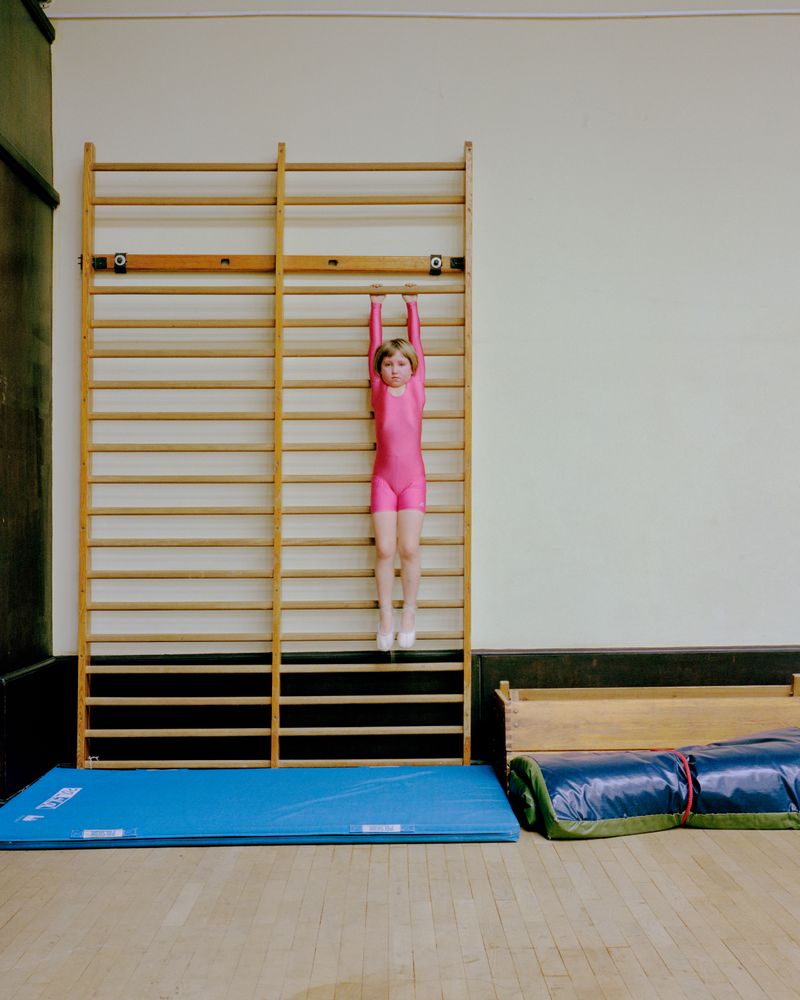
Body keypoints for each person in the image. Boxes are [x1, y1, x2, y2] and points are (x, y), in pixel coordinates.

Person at [368, 285, 426, 651]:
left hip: (413, 481)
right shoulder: (376, 387)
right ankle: (386, 615)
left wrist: (412, 305)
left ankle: (409, 613)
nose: (394, 369)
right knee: (385, 549)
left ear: (412, 368)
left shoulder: (417, 385)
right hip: (383, 481)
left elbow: (416, 343)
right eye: (388, 364)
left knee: (409, 548)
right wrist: (375, 307)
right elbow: (374, 346)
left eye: (401, 363)